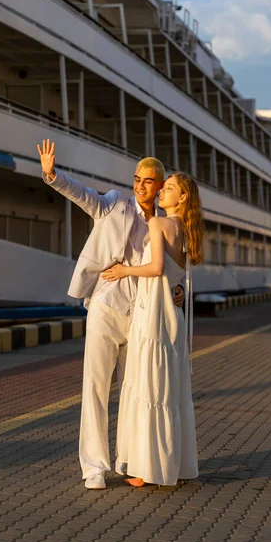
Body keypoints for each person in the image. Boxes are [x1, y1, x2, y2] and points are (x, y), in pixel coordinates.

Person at [37, 140, 185, 489]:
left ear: (160, 186)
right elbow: (84, 195)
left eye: (147, 181)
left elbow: (174, 268)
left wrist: (181, 290)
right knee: (96, 387)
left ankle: (129, 460)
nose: (139, 185)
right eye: (137, 178)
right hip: (106, 305)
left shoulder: (163, 221)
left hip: (143, 315)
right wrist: (52, 175)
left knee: (134, 390)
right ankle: (94, 467)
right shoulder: (116, 203)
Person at [101, 172, 204, 487]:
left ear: (182, 197)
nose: (162, 191)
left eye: (169, 188)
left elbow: (156, 268)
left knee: (148, 388)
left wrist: (123, 270)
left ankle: (148, 468)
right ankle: (170, 464)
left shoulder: (159, 224)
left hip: (152, 316)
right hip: (172, 317)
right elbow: (177, 276)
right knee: (169, 392)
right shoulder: (187, 232)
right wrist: (180, 292)